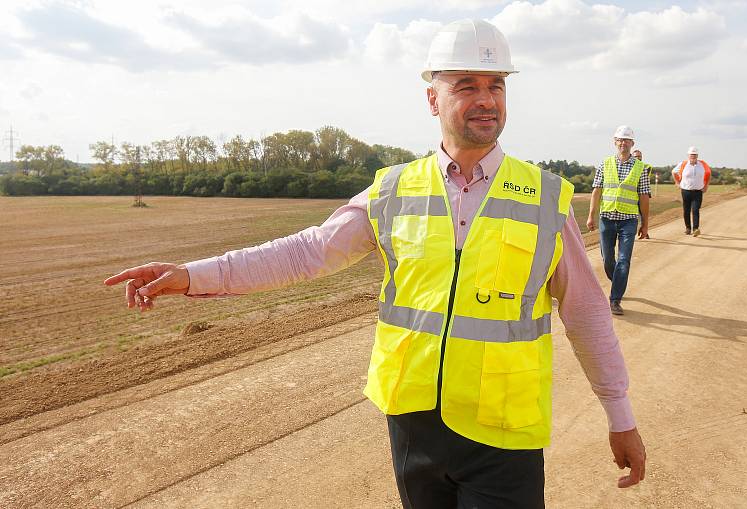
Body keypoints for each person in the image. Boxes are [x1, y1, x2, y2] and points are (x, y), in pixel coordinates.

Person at [104, 19, 645, 508]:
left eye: (496, 85)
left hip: (503, 431)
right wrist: (189, 275)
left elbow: (587, 314)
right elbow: (307, 252)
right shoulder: (393, 190)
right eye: (466, 85)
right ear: (432, 99)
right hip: (413, 424)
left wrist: (620, 417)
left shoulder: (544, 197)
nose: (487, 100)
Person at [586, 126, 650, 316]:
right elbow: (596, 190)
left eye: (627, 140)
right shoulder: (604, 164)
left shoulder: (641, 168)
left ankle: (615, 300)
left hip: (628, 220)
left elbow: (644, 196)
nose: (623, 143)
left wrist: (645, 223)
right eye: (620, 140)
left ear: (632, 144)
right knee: (607, 260)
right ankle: (619, 281)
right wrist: (591, 214)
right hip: (607, 217)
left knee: (624, 260)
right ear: (615, 142)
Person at [672, 146, 711, 236]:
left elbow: (708, 173)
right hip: (686, 191)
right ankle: (688, 228)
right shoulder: (683, 164)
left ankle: (696, 229)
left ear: (697, 155)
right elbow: (674, 172)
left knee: (695, 209)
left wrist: (706, 186)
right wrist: (677, 182)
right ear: (688, 155)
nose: (693, 156)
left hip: (698, 191)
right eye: (691, 155)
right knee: (686, 210)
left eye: (694, 155)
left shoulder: (703, 164)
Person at [632, 149, 652, 239]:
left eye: (639, 156)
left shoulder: (646, 167)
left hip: (642, 192)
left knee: (642, 212)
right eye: (635, 156)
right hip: (631, 194)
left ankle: (644, 229)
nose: (637, 158)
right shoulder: (628, 167)